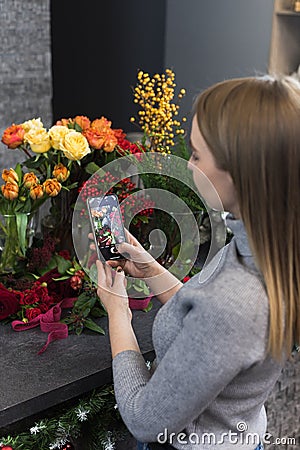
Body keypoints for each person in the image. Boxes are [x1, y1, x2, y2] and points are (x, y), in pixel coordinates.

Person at [95, 75, 300, 449]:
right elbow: (213, 332)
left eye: (196, 154)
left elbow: (146, 420)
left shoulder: (235, 304)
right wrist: (154, 272)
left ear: (240, 174)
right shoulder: (266, 247)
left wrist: (117, 313)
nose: (187, 165)